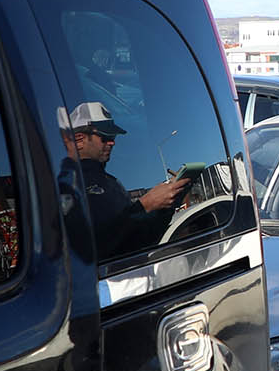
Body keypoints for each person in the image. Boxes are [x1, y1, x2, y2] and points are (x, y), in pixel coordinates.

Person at [57, 101, 190, 258]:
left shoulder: (112, 183)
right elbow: (92, 248)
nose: (112, 142)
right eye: (105, 136)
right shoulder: (67, 187)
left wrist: (168, 206)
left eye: (112, 136)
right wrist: (145, 205)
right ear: (79, 140)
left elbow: (139, 239)